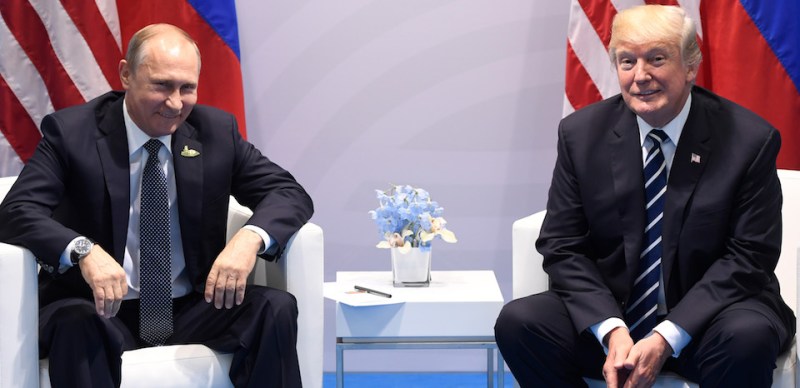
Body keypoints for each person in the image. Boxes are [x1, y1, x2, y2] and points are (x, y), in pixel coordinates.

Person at [495, 5, 795, 387]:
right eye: (627, 61)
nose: (641, 76)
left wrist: (667, 336)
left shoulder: (749, 140)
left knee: (748, 336)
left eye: (657, 59)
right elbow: (563, 245)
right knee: (522, 322)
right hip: (614, 319)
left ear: (690, 66)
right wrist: (612, 330)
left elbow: (749, 258)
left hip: (709, 322)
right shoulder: (581, 135)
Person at [0, 24, 313, 388]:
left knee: (274, 307)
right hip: (97, 307)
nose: (176, 103)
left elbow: (288, 193)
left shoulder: (215, 131)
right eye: (161, 86)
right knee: (77, 322)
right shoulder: (72, 133)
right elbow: (17, 210)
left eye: (187, 88)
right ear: (126, 74)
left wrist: (248, 240)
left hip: (192, 306)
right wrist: (83, 251)